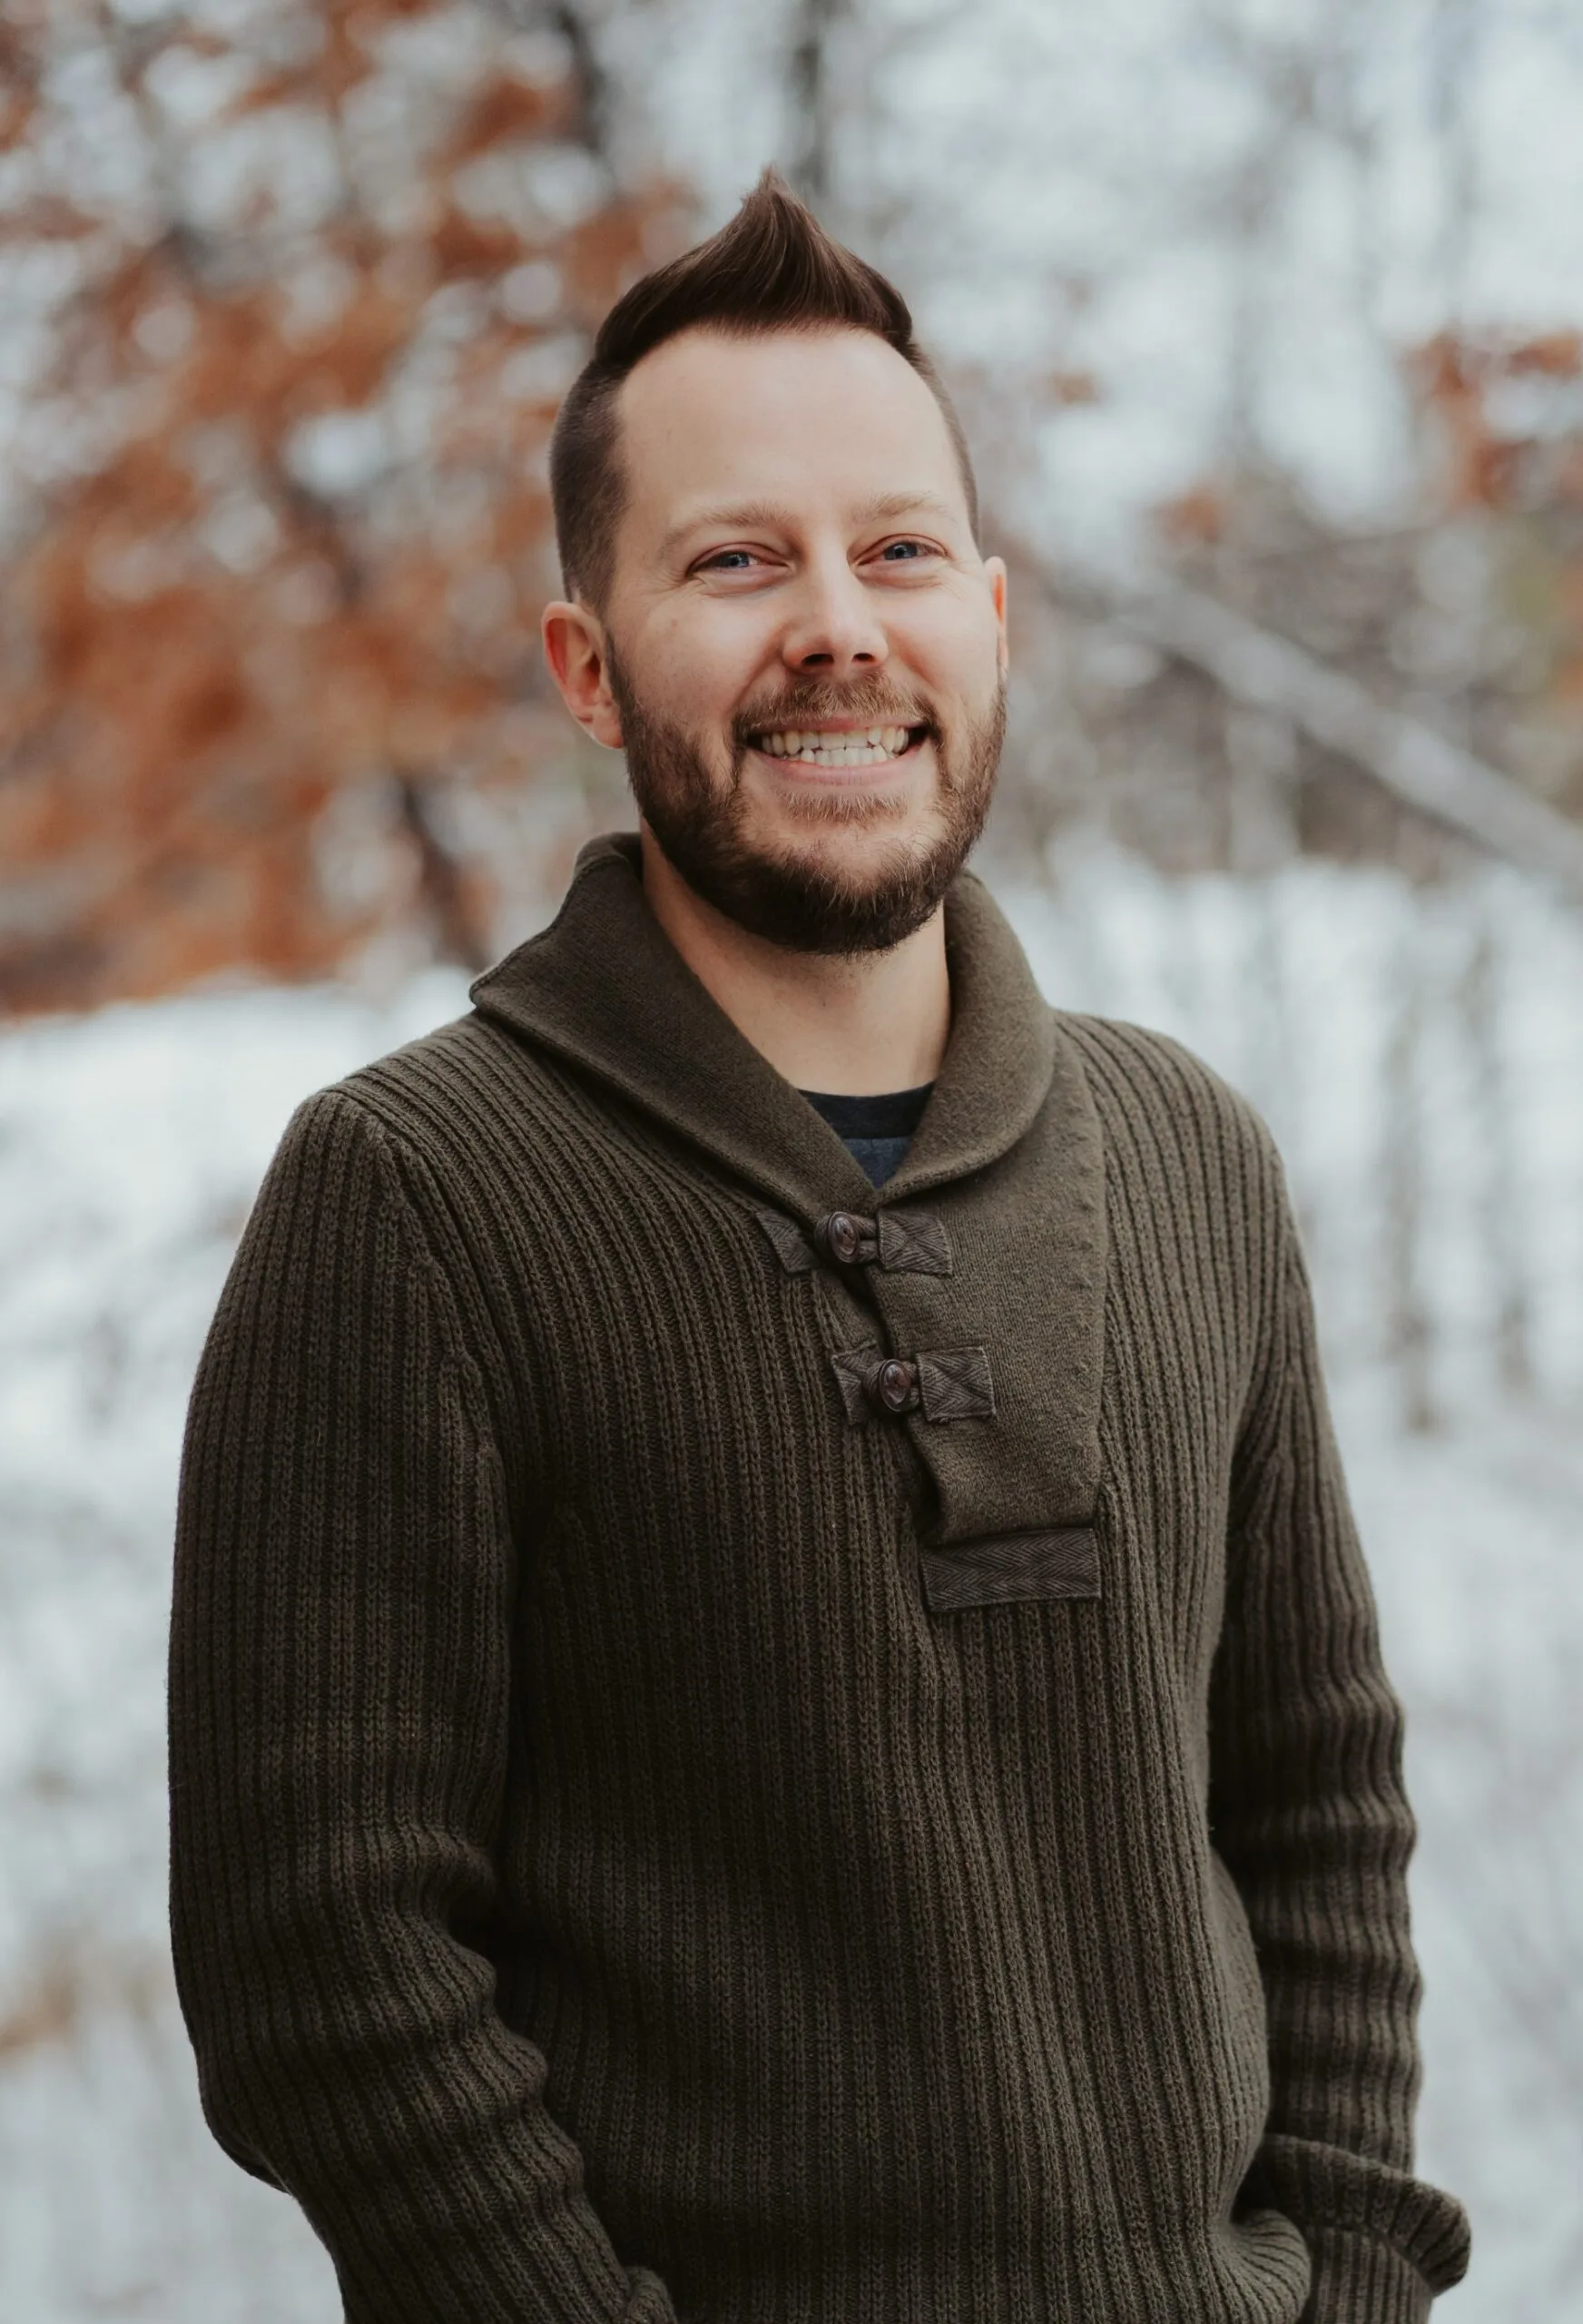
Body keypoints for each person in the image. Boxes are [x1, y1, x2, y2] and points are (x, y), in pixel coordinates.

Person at [169, 172, 1470, 2324]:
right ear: (588, 666)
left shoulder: (1186, 1157)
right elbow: (328, 1958)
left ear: (989, 612)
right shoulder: (414, 1194)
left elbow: (1315, 1801)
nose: (837, 626)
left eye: (896, 551)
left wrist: (1342, 2283)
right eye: (735, 560)